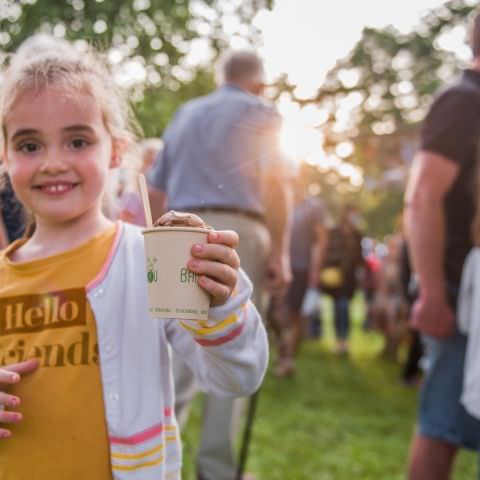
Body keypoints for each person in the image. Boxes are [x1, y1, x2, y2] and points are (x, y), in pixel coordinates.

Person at [0, 35, 268, 480]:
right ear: (5, 156)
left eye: (78, 141)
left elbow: (236, 378)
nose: (52, 162)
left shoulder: (148, 261)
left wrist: (221, 305)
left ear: (117, 150)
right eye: (30, 146)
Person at [148, 49, 291, 480]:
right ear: (258, 83)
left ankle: (155, 452)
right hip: (239, 230)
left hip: (178, 230)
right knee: (231, 340)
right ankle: (217, 470)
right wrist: (280, 251)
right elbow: (277, 187)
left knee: (178, 347)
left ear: (220, 77)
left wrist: (157, 236)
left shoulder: (186, 113)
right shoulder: (262, 111)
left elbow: (156, 188)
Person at [404, 10, 480, 480]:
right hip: (456, 287)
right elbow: (422, 196)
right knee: (442, 425)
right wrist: (431, 291)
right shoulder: (462, 101)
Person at [270, 164, 327, 377]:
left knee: (294, 315)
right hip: (276, 268)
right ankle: (284, 352)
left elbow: (321, 240)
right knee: (274, 314)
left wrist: (315, 269)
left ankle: (288, 358)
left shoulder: (314, 206)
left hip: (302, 268)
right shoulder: (280, 205)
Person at [320, 206, 363, 354]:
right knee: (337, 307)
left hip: (349, 278)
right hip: (335, 277)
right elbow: (326, 251)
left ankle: (344, 340)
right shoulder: (334, 233)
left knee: (344, 307)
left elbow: (360, 258)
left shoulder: (357, 235)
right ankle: (339, 339)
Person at [117, 137, 163, 226]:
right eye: (152, 162)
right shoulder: (132, 197)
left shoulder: (159, 201)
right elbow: (125, 229)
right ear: (141, 164)